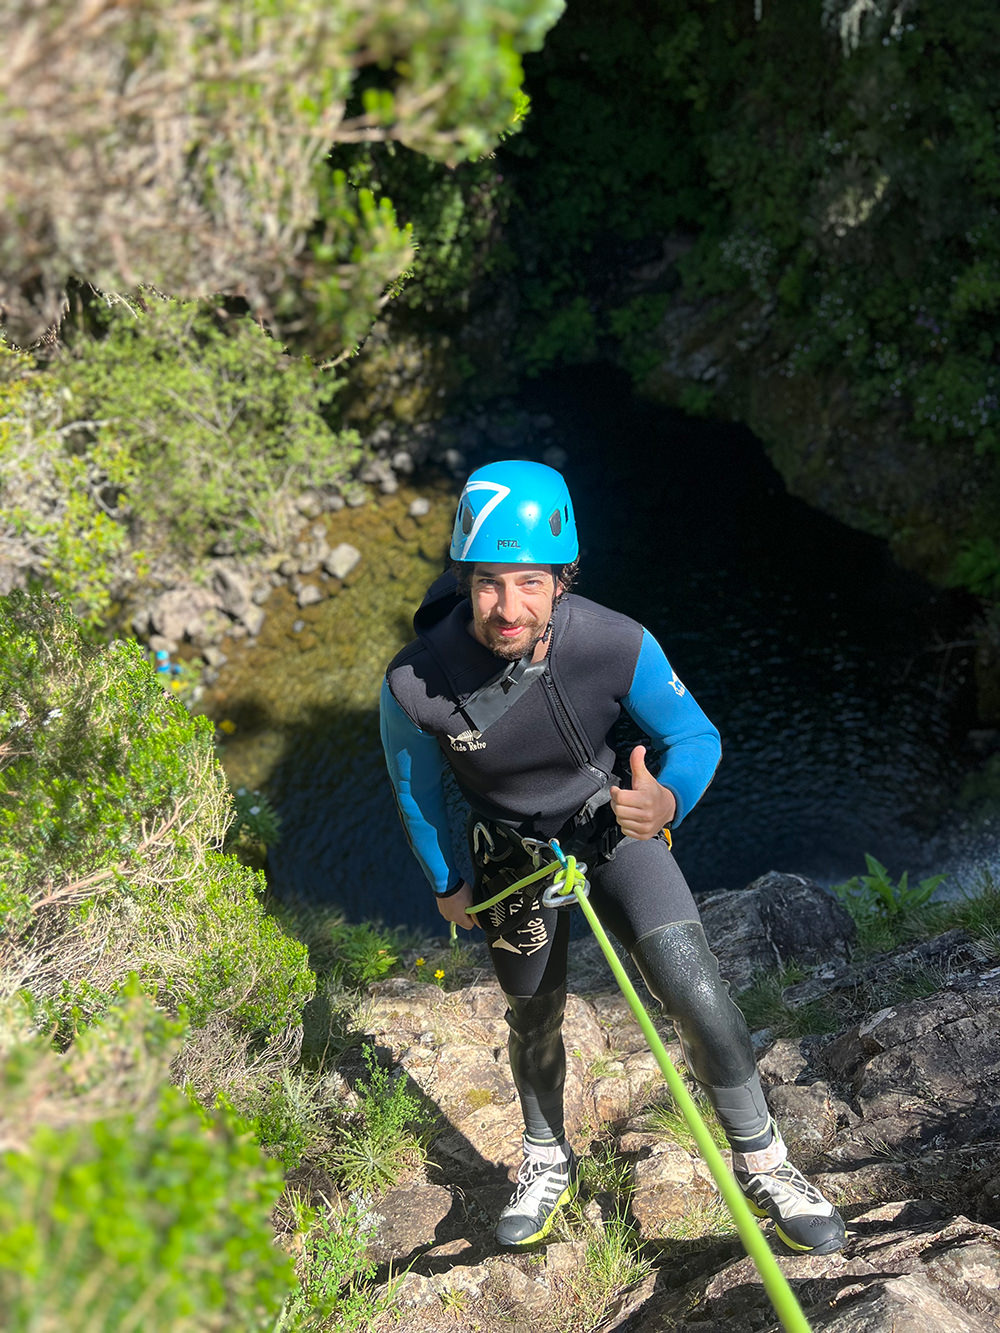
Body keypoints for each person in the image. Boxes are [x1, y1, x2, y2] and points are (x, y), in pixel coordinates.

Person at [379, 459, 846, 1255]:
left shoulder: (614, 643)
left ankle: (766, 1160)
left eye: (530, 581)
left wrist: (664, 801)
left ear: (564, 577)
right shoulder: (416, 683)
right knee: (535, 1017)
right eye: (487, 582)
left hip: (611, 829)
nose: (507, 606)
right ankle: (543, 1155)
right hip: (511, 859)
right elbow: (413, 789)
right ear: (463, 579)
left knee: (700, 995)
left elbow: (693, 735)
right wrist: (447, 884)